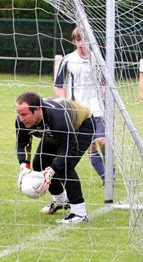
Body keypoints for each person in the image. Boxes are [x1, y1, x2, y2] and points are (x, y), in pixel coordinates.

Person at [15, 92, 95, 223]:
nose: (21, 118)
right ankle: (60, 201)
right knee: (40, 162)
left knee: (65, 166)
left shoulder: (57, 117)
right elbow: (22, 144)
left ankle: (79, 213)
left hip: (81, 127)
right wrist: (24, 166)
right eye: (19, 114)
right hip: (55, 132)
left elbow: (68, 148)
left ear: (38, 110)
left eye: (24, 114)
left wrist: (51, 170)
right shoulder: (21, 121)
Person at [54, 26, 106, 185]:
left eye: (84, 40)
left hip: (97, 108)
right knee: (90, 146)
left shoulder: (97, 59)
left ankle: (111, 166)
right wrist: (65, 103)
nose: (82, 43)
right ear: (74, 41)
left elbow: (104, 82)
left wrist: (101, 94)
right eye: (78, 40)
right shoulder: (68, 59)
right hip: (79, 111)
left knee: (103, 141)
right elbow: (58, 85)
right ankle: (106, 178)